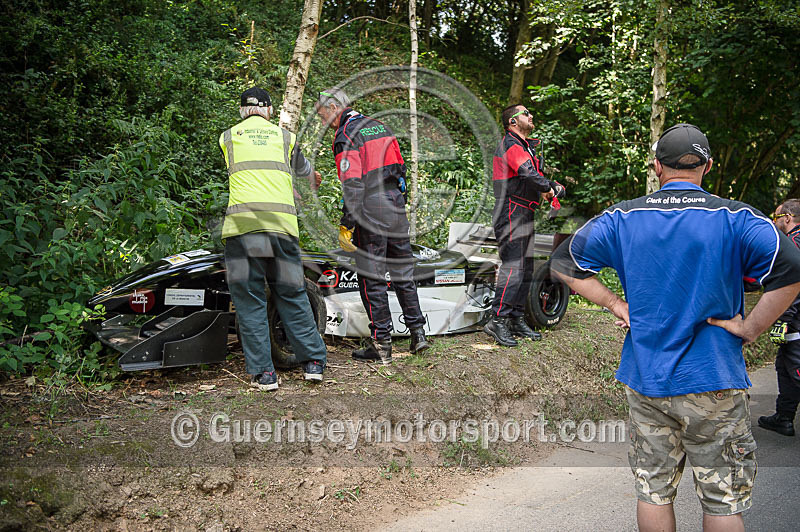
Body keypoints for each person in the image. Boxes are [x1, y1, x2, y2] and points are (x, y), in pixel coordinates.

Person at [550, 123, 800, 531]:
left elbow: (563, 262)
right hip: (713, 377)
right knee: (723, 502)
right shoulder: (736, 218)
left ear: (656, 167)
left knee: (653, 491)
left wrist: (616, 303)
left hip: (646, 378)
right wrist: (752, 327)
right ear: (708, 166)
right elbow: (791, 268)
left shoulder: (623, 217)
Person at [219, 87, 327, 391]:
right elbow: (305, 171)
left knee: (250, 300)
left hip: (243, 230)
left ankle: (265, 375)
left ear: (242, 111)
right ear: (268, 110)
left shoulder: (228, 137)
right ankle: (314, 363)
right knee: (292, 294)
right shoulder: (285, 138)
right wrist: (311, 178)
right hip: (281, 229)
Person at [315, 88, 429, 366]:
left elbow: (352, 183)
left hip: (370, 202)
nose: (322, 123)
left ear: (333, 107)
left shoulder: (346, 136)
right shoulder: (380, 126)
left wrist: (347, 224)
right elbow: (400, 169)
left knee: (372, 275)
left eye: (322, 116)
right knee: (403, 270)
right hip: (394, 202)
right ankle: (418, 335)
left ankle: (381, 344)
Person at [484, 104, 562, 347]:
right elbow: (527, 173)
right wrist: (549, 187)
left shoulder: (525, 146)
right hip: (510, 209)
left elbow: (531, 177)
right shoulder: (512, 144)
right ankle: (497, 319)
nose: (531, 115)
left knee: (526, 268)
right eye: (526, 113)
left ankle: (516, 317)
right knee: (515, 266)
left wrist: (549, 190)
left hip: (524, 210)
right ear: (513, 122)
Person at [759, 199, 800, 436]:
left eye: (775, 218)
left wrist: (782, 320)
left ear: (787, 218)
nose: (774, 222)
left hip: (795, 323)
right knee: (784, 367)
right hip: (793, 324)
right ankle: (784, 417)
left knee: (795, 370)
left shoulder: (793, 244)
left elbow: (792, 287)